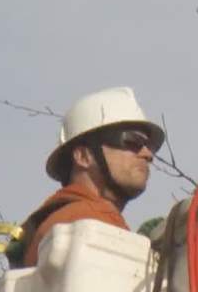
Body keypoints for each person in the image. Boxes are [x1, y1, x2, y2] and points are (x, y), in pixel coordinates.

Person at [15, 86, 165, 267]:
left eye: (150, 147)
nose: (148, 155)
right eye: (133, 142)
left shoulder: (64, 221)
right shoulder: (83, 219)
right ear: (83, 157)